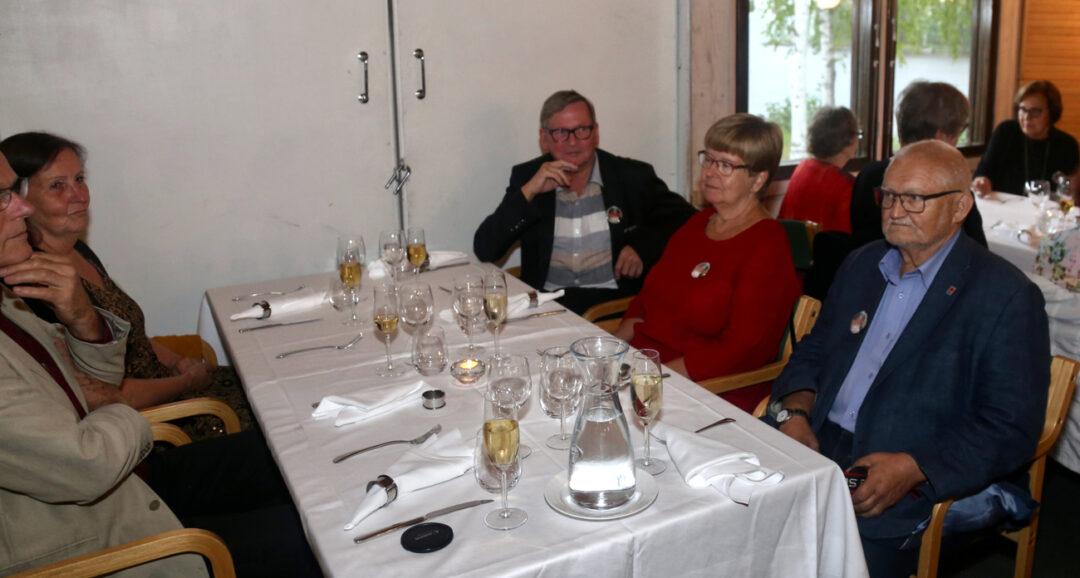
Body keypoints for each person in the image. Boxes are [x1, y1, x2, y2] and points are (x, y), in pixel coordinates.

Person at [0, 151, 320, 577]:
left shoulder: (10, 301)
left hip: (132, 480)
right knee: (315, 539)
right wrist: (118, 406)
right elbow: (88, 462)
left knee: (303, 453)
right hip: (102, 536)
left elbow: (97, 385)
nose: (21, 207)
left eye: (14, 191)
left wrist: (83, 320)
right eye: (3, 197)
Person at [768, 140, 1049, 578]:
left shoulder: (1005, 296)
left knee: (826, 562)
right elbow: (816, 348)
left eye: (915, 198)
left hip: (906, 465)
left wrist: (914, 466)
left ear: (959, 207)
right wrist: (795, 411)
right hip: (817, 441)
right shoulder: (863, 264)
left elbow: (1010, 426)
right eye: (889, 196)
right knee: (731, 521)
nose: (895, 211)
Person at [0, 132, 252, 439]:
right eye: (57, 186)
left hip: (174, 389)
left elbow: (131, 332)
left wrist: (179, 361)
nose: (79, 195)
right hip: (153, 424)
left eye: (79, 179)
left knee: (262, 384)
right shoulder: (34, 287)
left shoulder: (78, 251)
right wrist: (186, 382)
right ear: (20, 197)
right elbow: (101, 394)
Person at [613, 114, 800, 413]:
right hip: (647, 366)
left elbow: (742, 350)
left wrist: (654, 378)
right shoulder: (697, 223)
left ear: (758, 180)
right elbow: (646, 300)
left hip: (710, 391)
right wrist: (608, 354)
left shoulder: (767, 245)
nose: (710, 172)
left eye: (725, 165)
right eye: (709, 159)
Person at [473, 90, 695, 314]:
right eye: (561, 132)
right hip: (548, 306)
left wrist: (642, 246)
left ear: (595, 133)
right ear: (544, 138)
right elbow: (486, 250)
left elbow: (687, 218)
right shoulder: (528, 177)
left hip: (611, 308)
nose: (573, 142)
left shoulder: (631, 176)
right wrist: (529, 191)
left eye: (582, 130)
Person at [972, 80, 1080, 197]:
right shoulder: (1005, 132)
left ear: (1052, 113)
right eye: (1023, 109)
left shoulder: (1067, 145)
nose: (1027, 117)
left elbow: (1070, 193)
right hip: (1002, 205)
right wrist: (981, 181)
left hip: (1046, 208)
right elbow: (983, 171)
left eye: (1035, 111)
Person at [778, 106, 859, 233]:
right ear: (849, 140)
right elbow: (847, 238)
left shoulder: (802, 167)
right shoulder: (846, 185)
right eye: (858, 135)